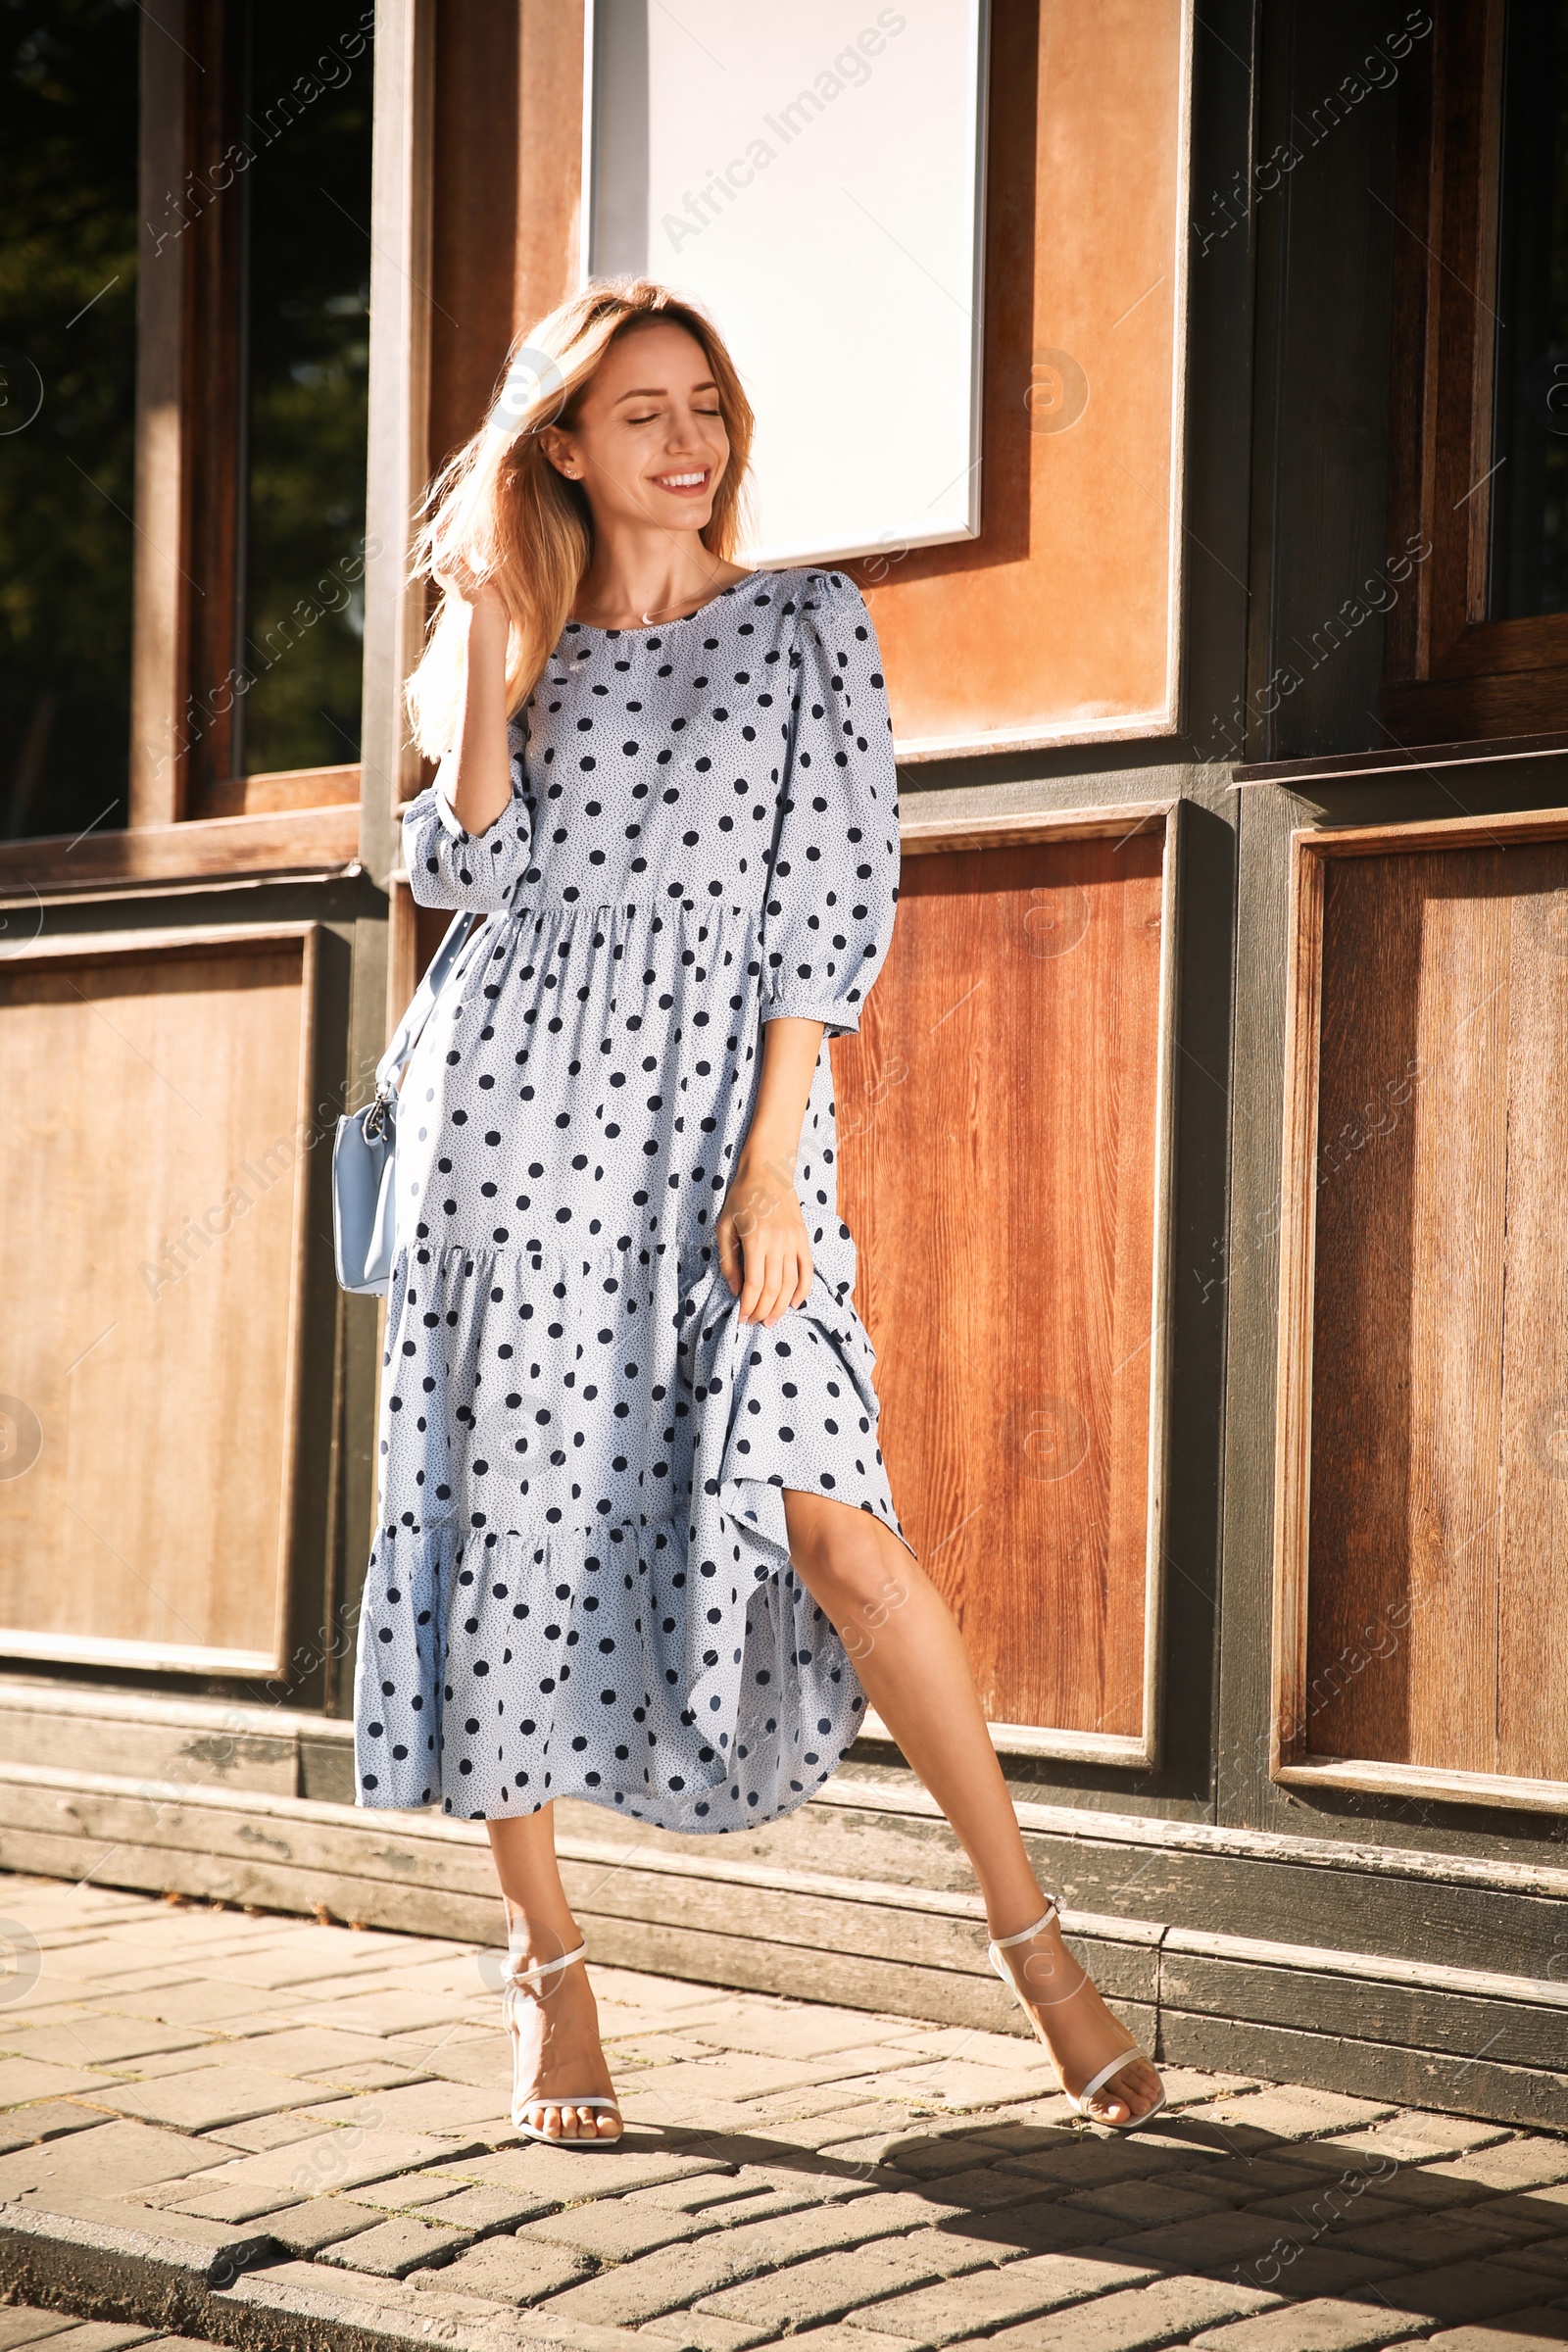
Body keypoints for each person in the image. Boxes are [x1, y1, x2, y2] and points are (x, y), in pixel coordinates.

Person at [353, 277, 1164, 2142]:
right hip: (514, 1120)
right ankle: (550, 1977)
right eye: (639, 411)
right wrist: (479, 631)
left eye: (703, 405)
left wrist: (774, 1157)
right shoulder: (509, 635)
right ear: (562, 442)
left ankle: (1033, 1942)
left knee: (837, 1531)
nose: (687, 440)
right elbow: (469, 866)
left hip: (728, 1119)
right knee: (507, 1525)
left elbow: (833, 900)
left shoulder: (807, 626)